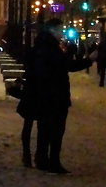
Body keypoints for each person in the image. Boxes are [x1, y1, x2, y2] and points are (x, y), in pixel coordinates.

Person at [29, 18, 88, 174]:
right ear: (52, 30)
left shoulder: (41, 47)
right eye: (60, 29)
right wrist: (89, 60)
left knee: (44, 129)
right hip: (55, 96)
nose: (62, 32)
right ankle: (53, 161)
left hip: (43, 95)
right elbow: (67, 66)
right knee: (55, 131)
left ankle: (42, 159)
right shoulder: (52, 49)